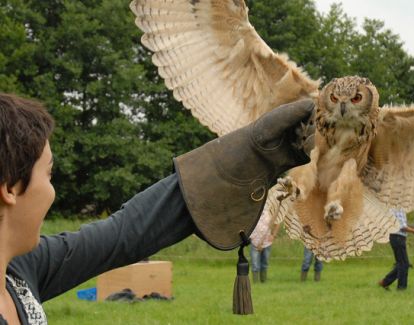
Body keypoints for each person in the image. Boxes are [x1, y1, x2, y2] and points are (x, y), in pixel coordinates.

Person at [0, 93, 315, 323]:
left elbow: (125, 234)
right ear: (11, 189)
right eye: (49, 173)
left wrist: (251, 153)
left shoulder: (21, 269)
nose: (53, 191)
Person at [377, 207, 414, 291]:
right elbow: (401, 226)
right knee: (403, 264)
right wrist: (413, 230)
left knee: (402, 263)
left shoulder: (396, 207)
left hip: (397, 237)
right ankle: (401, 288)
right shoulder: (397, 208)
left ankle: (385, 282)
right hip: (398, 237)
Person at [249, 205, 281, 283]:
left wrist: (273, 235)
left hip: (267, 242)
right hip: (255, 242)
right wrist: (250, 237)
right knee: (255, 264)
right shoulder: (253, 212)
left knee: (265, 263)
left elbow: (277, 222)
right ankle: (256, 282)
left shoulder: (269, 211)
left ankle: (263, 281)